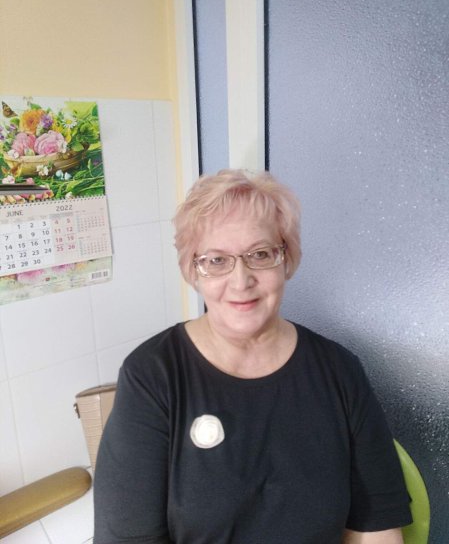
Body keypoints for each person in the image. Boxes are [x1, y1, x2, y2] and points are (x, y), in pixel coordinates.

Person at [94, 169, 412, 544]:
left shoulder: (340, 371)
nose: (241, 280)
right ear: (192, 270)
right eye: (216, 260)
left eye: (260, 254)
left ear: (286, 259)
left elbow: (377, 527)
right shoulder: (153, 375)